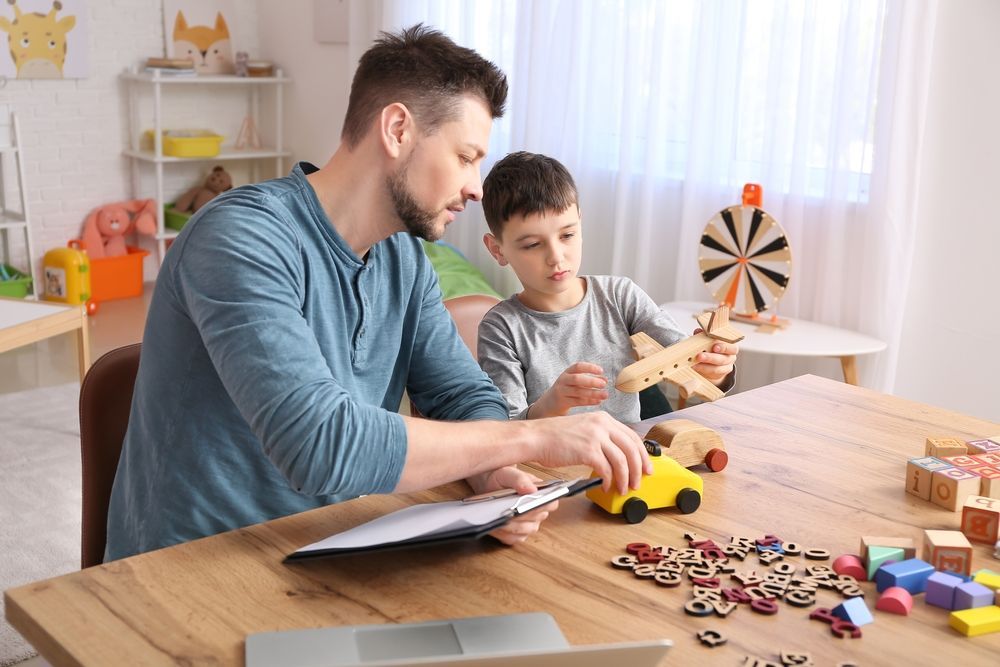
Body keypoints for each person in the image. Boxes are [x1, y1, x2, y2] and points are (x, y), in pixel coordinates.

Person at [104, 26, 652, 562]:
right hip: (189, 572)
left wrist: (492, 473)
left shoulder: (403, 259)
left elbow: (462, 398)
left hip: (336, 548)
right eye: (466, 157)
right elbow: (319, 444)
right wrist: (532, 441)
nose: (476, 186)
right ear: (397, 130)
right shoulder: (240, 237)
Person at [477, 151, 739, 423]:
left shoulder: (620, 296)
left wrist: (715, 369)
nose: (556, 257)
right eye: (533, 244)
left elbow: (685, 357)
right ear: (497, 250)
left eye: (567, 235)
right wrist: (552, 404)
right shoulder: (500, 328)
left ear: (580, 222)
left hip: (631, 457)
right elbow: (507, 430)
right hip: (552, 463)